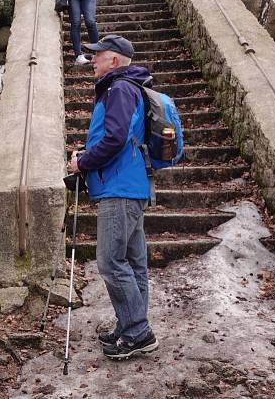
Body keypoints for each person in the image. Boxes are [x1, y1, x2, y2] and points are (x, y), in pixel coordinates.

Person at [66, 34, 159, 360]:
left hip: (119, 188)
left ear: (115, 61)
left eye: (98, 55)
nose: (92, 60)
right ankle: (130, 327)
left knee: (109, 261)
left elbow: (116, 138)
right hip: (131, 186)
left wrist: (83, 162)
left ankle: (138, 331)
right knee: (134, 264)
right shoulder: (129, 87)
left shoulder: (118, 89)